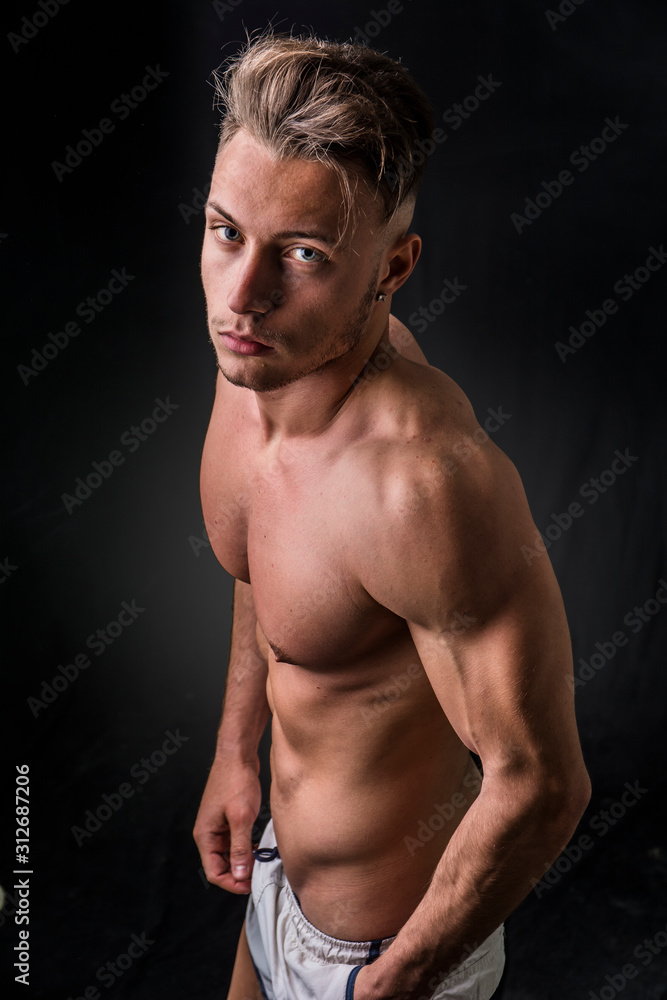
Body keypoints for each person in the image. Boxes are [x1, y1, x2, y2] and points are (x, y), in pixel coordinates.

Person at [193, 31, 591, 1000]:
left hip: (382, 949)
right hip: (277, 884)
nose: (242, 295)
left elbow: (542, 784)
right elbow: (264, 567)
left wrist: (399, 976)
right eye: (225, 231)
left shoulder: (421, 483)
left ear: (394, 266)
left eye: (302, 254)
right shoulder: (255, 360)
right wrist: (232, 753)